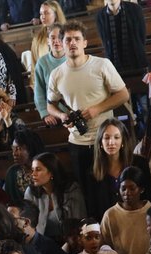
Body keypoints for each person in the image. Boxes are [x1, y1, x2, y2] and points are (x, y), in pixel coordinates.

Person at [45, 22, 128, 210]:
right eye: (68, 40)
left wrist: (97, 109)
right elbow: (50, 104)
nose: (72, 43)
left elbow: (123, 95)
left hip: (105, 141)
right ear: (61, 43)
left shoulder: (101, 65)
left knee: (111, 191)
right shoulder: (57, 74)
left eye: (76, 39)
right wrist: (61, 115)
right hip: (78, 142)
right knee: (87, 194)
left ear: (85, 43)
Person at [101, 166, 151, 254]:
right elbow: (104, 248)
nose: (127, 193)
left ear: (141, 189)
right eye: (123, 188)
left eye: (132, 188)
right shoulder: (110, 215)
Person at [25, 152, 84, 243]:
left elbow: (79, 221)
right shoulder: (31, 192)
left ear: (51, 172)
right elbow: (27, 224)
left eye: (38, 169)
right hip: (41, 243)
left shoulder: (71, 189)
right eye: (32, 170)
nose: (33, 174)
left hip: (71, 241)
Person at [34, 24, 67, 122]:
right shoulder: (42, 62)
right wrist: (45, 113)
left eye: (60, 37)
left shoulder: (73, 58)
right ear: (48, 41)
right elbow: (39, 91)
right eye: (52, 38)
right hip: (54, 113)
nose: (56, 41)